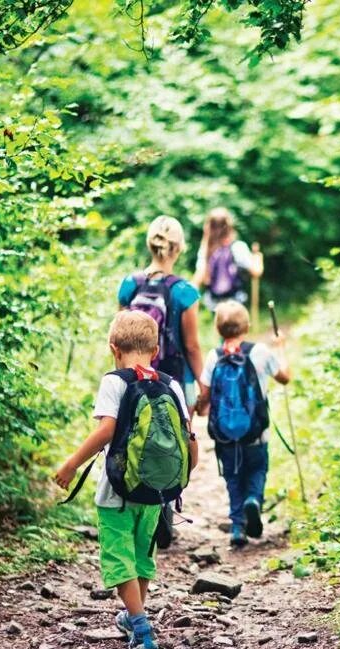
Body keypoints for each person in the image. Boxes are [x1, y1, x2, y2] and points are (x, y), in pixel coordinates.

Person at [55, 311, 198, 649]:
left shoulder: (114, 382)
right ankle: (134, 615)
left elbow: (106, 429)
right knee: (141, 555)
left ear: (113, 348)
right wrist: (185, 474)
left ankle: (141, 627)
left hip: (115, 493)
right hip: (155, 491)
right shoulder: (172, 384)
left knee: (119, 558)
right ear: (156, 348)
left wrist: (71, 464)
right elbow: (188, 434)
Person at [195, 301, 290, 548]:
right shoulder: (259, 352)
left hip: (225, 437)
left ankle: (237, 528)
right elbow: (284, 377)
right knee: (257, 471)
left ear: (217, 329)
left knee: (232, 478)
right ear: (247, 327)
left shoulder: (213, 356)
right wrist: (280, 348)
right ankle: (254, 501)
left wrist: (200, 409)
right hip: (256, 435)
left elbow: (204, 396)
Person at [118, 216, 204, 410]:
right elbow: (191, 347)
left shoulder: (129, 284)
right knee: (180, 438)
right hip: (177, 382)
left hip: (135, 380)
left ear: (150, 244)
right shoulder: (185, 291)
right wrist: (205, 387)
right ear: (179, 247)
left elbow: (119, 338)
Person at [193, 207, 264, 311]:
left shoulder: (206, 251)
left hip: (214, 306)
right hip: (236, 303)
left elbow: (199, 279)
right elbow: (256, 271)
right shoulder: (238, 247)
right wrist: (258, 258)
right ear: (230, 226)